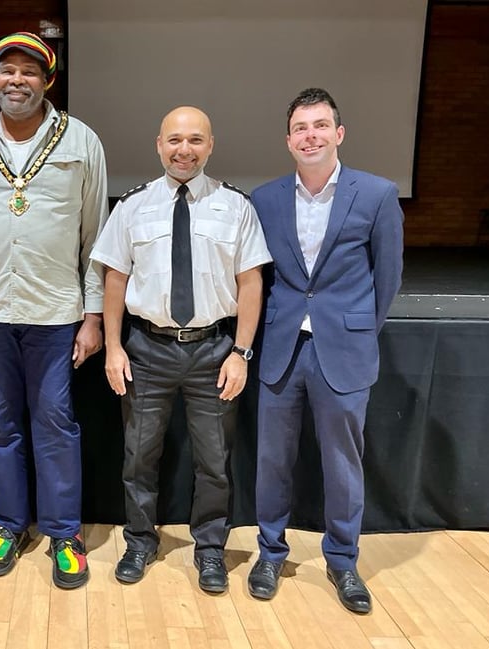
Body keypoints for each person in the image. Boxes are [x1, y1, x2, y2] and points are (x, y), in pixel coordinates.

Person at [0, 32, 108, 589]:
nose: (17, 81)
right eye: (7, 71)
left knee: (55, 422)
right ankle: (8, 525)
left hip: (55, 311)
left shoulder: (82, 142)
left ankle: (64, 533)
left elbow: (95, 238)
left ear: (48, 80)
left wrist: (93, 315)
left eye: (29, 73)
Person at [91, 106, 270, 592]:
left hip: (214, 350)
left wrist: (242, 352)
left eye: (195, 140)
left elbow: (251, 284)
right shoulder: (132, 206)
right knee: (138, 457)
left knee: (214, 460)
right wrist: (112, 347)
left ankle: (210, 550)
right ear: (158, 144)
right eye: (174, 140)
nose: (184, 149)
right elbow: (114, 281)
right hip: (146, 350)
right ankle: (140, 542)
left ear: (210, 146)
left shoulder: (237, 207)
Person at [247, 88, 404, 614]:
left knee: (343, 464)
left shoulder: (378, 194)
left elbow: (388, 278)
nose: (309, 135)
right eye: (300, 127)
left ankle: (343, 561)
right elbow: (260, 278)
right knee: (272, 459)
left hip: (344, 348)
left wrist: (356, 329)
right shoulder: (265, 199)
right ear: (288, 139)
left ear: (338, 134)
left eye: (320, 126)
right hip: (282, 348)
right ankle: (269, 551)